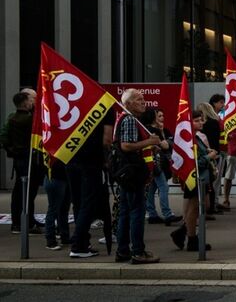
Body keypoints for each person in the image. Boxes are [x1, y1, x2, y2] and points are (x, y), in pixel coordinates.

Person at [115, 89, 168, 264]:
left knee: (125, 212)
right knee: (136, 212)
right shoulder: (129, 119)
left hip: (128, 172)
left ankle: (123, 251)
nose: (144, 102)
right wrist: (150, 142)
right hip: (133, 173)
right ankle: (138, 251)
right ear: (128, 104)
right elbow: (127, 146)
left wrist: (148, 146)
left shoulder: (126, 118)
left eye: (143, 99)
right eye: (139, 99)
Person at [67, 109, 115, 258]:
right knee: (88, 204)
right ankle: (78, 246)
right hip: (92, 162)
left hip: (70, 157)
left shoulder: (75, 104)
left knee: (78, 203)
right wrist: (107, 161)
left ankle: (82, 242)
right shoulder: (105, 108)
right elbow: (107, 140)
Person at [170, 109, 214, 253]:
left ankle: (183, 232)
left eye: (201, 120)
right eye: (196, 120)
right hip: (195, 178)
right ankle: (191, 239)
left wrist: (208, 153)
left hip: (201, 178)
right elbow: (195, 162)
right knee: (194, 208)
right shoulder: (190, 140)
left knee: (200, 207)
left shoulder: (197, 138)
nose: (200, 123)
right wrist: (210, 156)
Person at [0, 90, 43, 235]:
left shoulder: (13, 119)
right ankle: (27, 223)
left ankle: (19, 222)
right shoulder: (30, 120)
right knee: (28, 192)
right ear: (26, 102)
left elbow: (4, 139)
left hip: (19, 158)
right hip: (28, 158)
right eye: (32, 99)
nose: (34, 102)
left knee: (21, 191)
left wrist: (12, 150)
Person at [42, 155, 71, 250]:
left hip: (59, 177)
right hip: (57, 177)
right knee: (55, 210)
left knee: (61, 209)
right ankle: (51, 240)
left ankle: (63, 236)